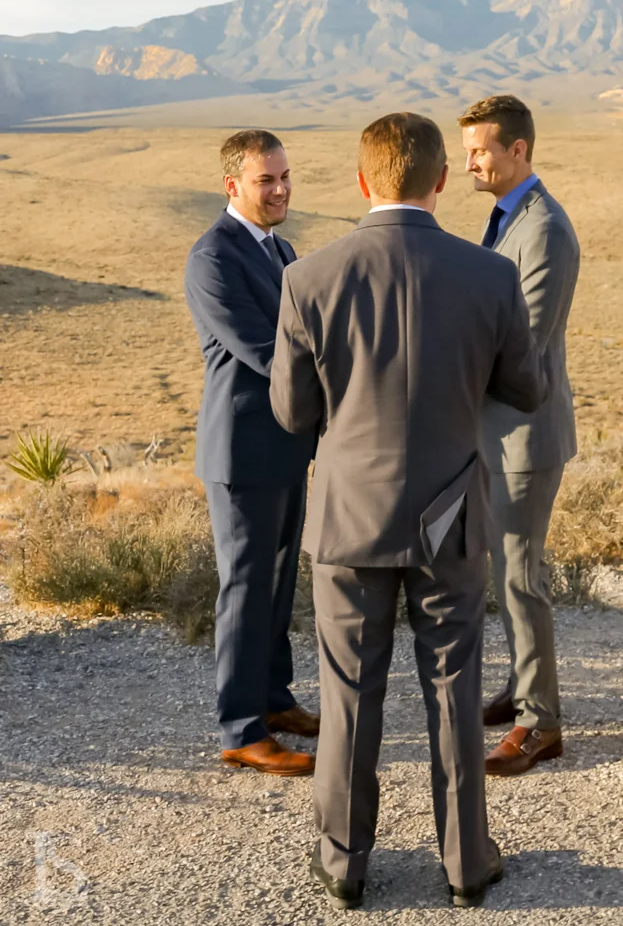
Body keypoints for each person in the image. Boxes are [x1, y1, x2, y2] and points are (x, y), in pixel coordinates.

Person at [269, 113, 548, 910]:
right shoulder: (490, 275)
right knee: (455, 689)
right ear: (440, 181)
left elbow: (292, 413)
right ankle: (466, 864)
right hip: (451, 517)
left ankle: (344, 864)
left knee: (349, 693)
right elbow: (527, 389)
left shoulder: (308, 278)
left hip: (349, 518)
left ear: (363, 181)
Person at [184, 129, 318, 776]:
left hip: (286, 446)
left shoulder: (279, 248)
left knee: (278, 582)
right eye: (266, 180)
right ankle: (241, 729)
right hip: (242, 452)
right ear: (232, 185)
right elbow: (265, 351)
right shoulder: (213, 257)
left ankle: (273, 699)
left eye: (285, 176)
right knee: (244, 588)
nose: (281, 189)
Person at [460, 95, 580, 777]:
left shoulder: (545, 230)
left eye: (480, 150)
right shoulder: (508, 217)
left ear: (518, 150)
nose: (470, 163)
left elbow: (523, 346)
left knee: (521, 575)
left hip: (525, 436)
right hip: (497, 433)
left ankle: (541, 723)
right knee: (504, 572)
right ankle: (520, 686)